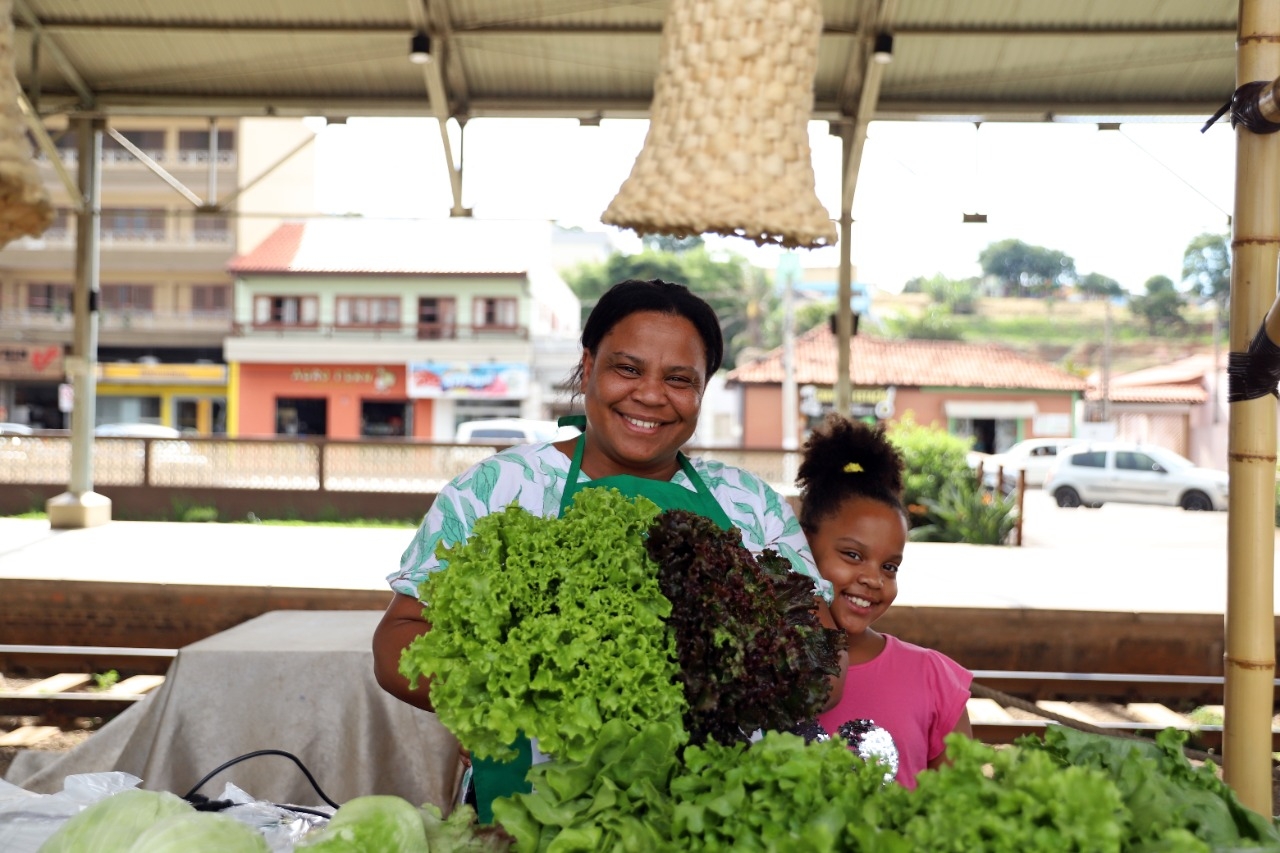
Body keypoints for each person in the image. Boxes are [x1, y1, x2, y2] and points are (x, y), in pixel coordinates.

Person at [372, 278, 842, 823]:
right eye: (627, 368)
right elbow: (399, 645)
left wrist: (693, 689)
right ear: (587, 364)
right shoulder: (499, 486)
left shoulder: (751, 504)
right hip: (531, 811)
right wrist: (531, 690)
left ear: (703, 390)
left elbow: (822, 665)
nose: (649, 394)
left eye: (679, 379)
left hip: (715, 810)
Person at [799, 414, 973, 789]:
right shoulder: (762, 671)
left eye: (890, 566)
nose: (874, 579)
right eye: (852, 555)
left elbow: (962, 811)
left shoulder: (935, 680)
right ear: (801, 544)